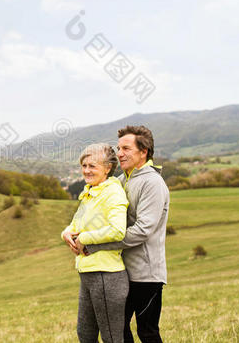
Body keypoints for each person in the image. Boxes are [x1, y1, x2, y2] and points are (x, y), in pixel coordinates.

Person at [80, 126, 170, 343]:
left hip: (146, 274)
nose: (119, 153)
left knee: (147, 332)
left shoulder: (153, 183)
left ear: (144, 151)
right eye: (118, 148)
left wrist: (96, 246)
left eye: (126, 148)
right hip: (122, 272)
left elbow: (142, 231)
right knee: (117, 331)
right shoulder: (121, 180)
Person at [61, 143, 129, 343]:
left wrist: (83, 238)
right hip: (88, 274)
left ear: (107, 168)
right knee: (85, 334)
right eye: (84, 165)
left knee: (112, 338)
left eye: (92, 166)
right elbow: (74, 224)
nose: (86, 170)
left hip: (106, 276)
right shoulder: (90, 193)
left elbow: (118, 230)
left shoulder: (113, 193)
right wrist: (66, 233)